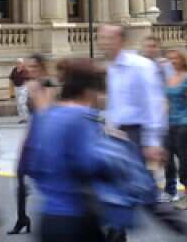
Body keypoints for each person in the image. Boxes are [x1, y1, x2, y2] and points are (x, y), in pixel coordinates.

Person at [22, 58, 112, 241]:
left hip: (49, 217)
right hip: (78, 218)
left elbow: (30, 164)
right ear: (90, 90)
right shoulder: (82, 119)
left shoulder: (45, 116)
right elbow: (89, 164)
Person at [97, 25, 166, 164]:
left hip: (136, 134)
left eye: (109, 38)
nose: (104, 42)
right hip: (114, 134)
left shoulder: (140, 66)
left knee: (138, 180)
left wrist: (152, 142)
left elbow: (153, 103)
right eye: (101, 38)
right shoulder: (109, 68)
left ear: (121, 40)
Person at [11, 54, 56, 235]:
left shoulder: (47, 84)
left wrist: (34, 89)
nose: (30, 69)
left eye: (33, 66)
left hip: (46, 134)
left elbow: (45, 110)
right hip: (33, 132)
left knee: (48, 178)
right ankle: (22, 218)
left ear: (42, 67)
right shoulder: (31, 84)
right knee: (20, 174)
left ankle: (56, 218)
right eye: (29, 66)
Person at [161, 50, 187, 210]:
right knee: (167, 158)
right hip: (170, 123)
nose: (172, 61)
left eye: (175, 58)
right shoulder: (170, 79)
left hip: (185, 123)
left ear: (182, 60)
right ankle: (171, 191)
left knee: (184, 160)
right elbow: (167, 102)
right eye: (170, 59)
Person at [10, 59, 30, 123]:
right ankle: (22, 118)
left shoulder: (25, 70)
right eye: (17, 63)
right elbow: (11, 79)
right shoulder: (14, 70)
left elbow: (28, 80)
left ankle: (27, 117)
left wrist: (26, 88)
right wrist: (11, 91)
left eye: (19, 63)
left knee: (21, 102)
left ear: (22, 63)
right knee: (18, 104)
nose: (18, 64)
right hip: (16, 88)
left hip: (23, 88)